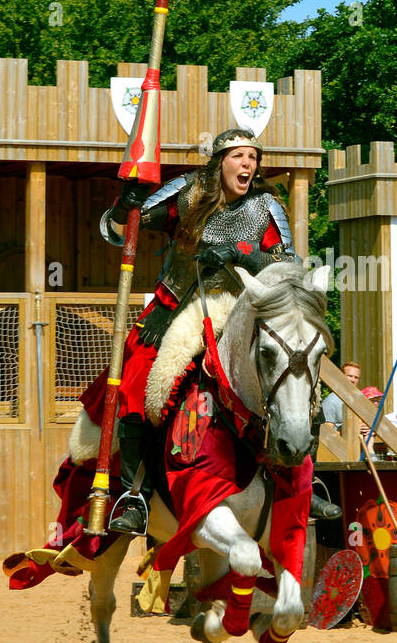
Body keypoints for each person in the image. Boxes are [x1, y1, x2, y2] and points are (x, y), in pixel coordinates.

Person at [93, 127, 297, 534]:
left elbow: (287, 268)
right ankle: (134, 495)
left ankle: (302, 483)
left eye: (253, 158)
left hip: (242, 314)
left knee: (294, 374)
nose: (247, 165)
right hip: (175, 312)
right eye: (239, 157)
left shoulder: (266, 207)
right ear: (219, 161)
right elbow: (122, 231)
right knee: (135, 385)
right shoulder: (187, 193)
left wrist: (240, 252)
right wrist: (125, 205)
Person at [321, 360, 361, 430]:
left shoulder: (359, 399)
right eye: (350, 376)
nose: (353, 380)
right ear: (341, 376)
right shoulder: (331, 401)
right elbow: (327, 434)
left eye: (356, 377)